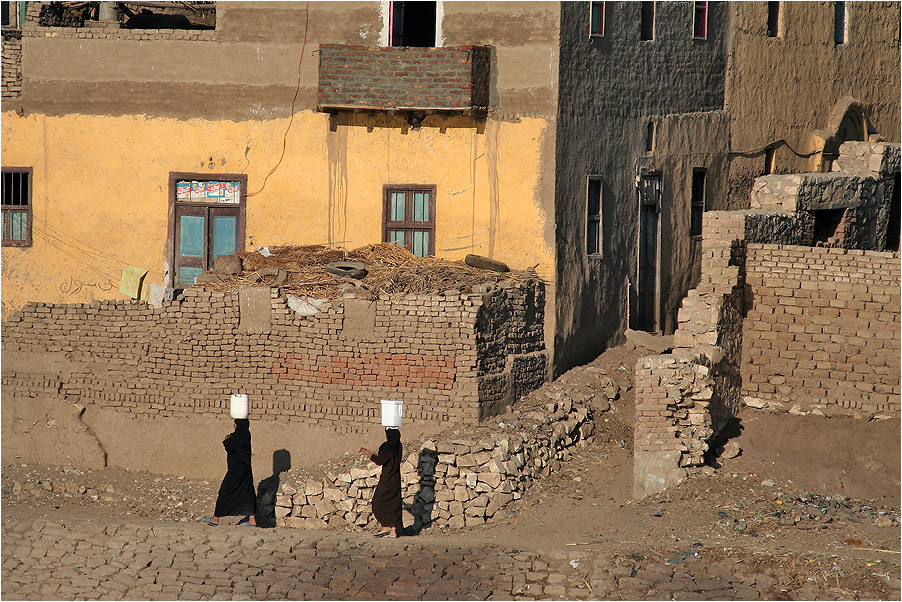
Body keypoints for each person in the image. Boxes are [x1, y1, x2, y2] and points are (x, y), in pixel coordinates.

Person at [204, 418, 258, 527]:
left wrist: (227, 439)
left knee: (225, 491)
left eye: (235, 424)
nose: (234, 426)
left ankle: (215, 519)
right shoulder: (246, 434)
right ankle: (252, 520)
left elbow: (231, 447)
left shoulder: (239, 436)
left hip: (236, 470)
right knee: (248, 493)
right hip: (246, 469)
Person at [359, 428, 403, 537]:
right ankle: (390, 529)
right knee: (393, 503)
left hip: (387, 479)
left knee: (378, 502)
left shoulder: (387, 447)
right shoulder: (398, 446)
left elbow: (379, 461)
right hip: (395, 478)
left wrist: (368, 453)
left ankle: (386, 526)